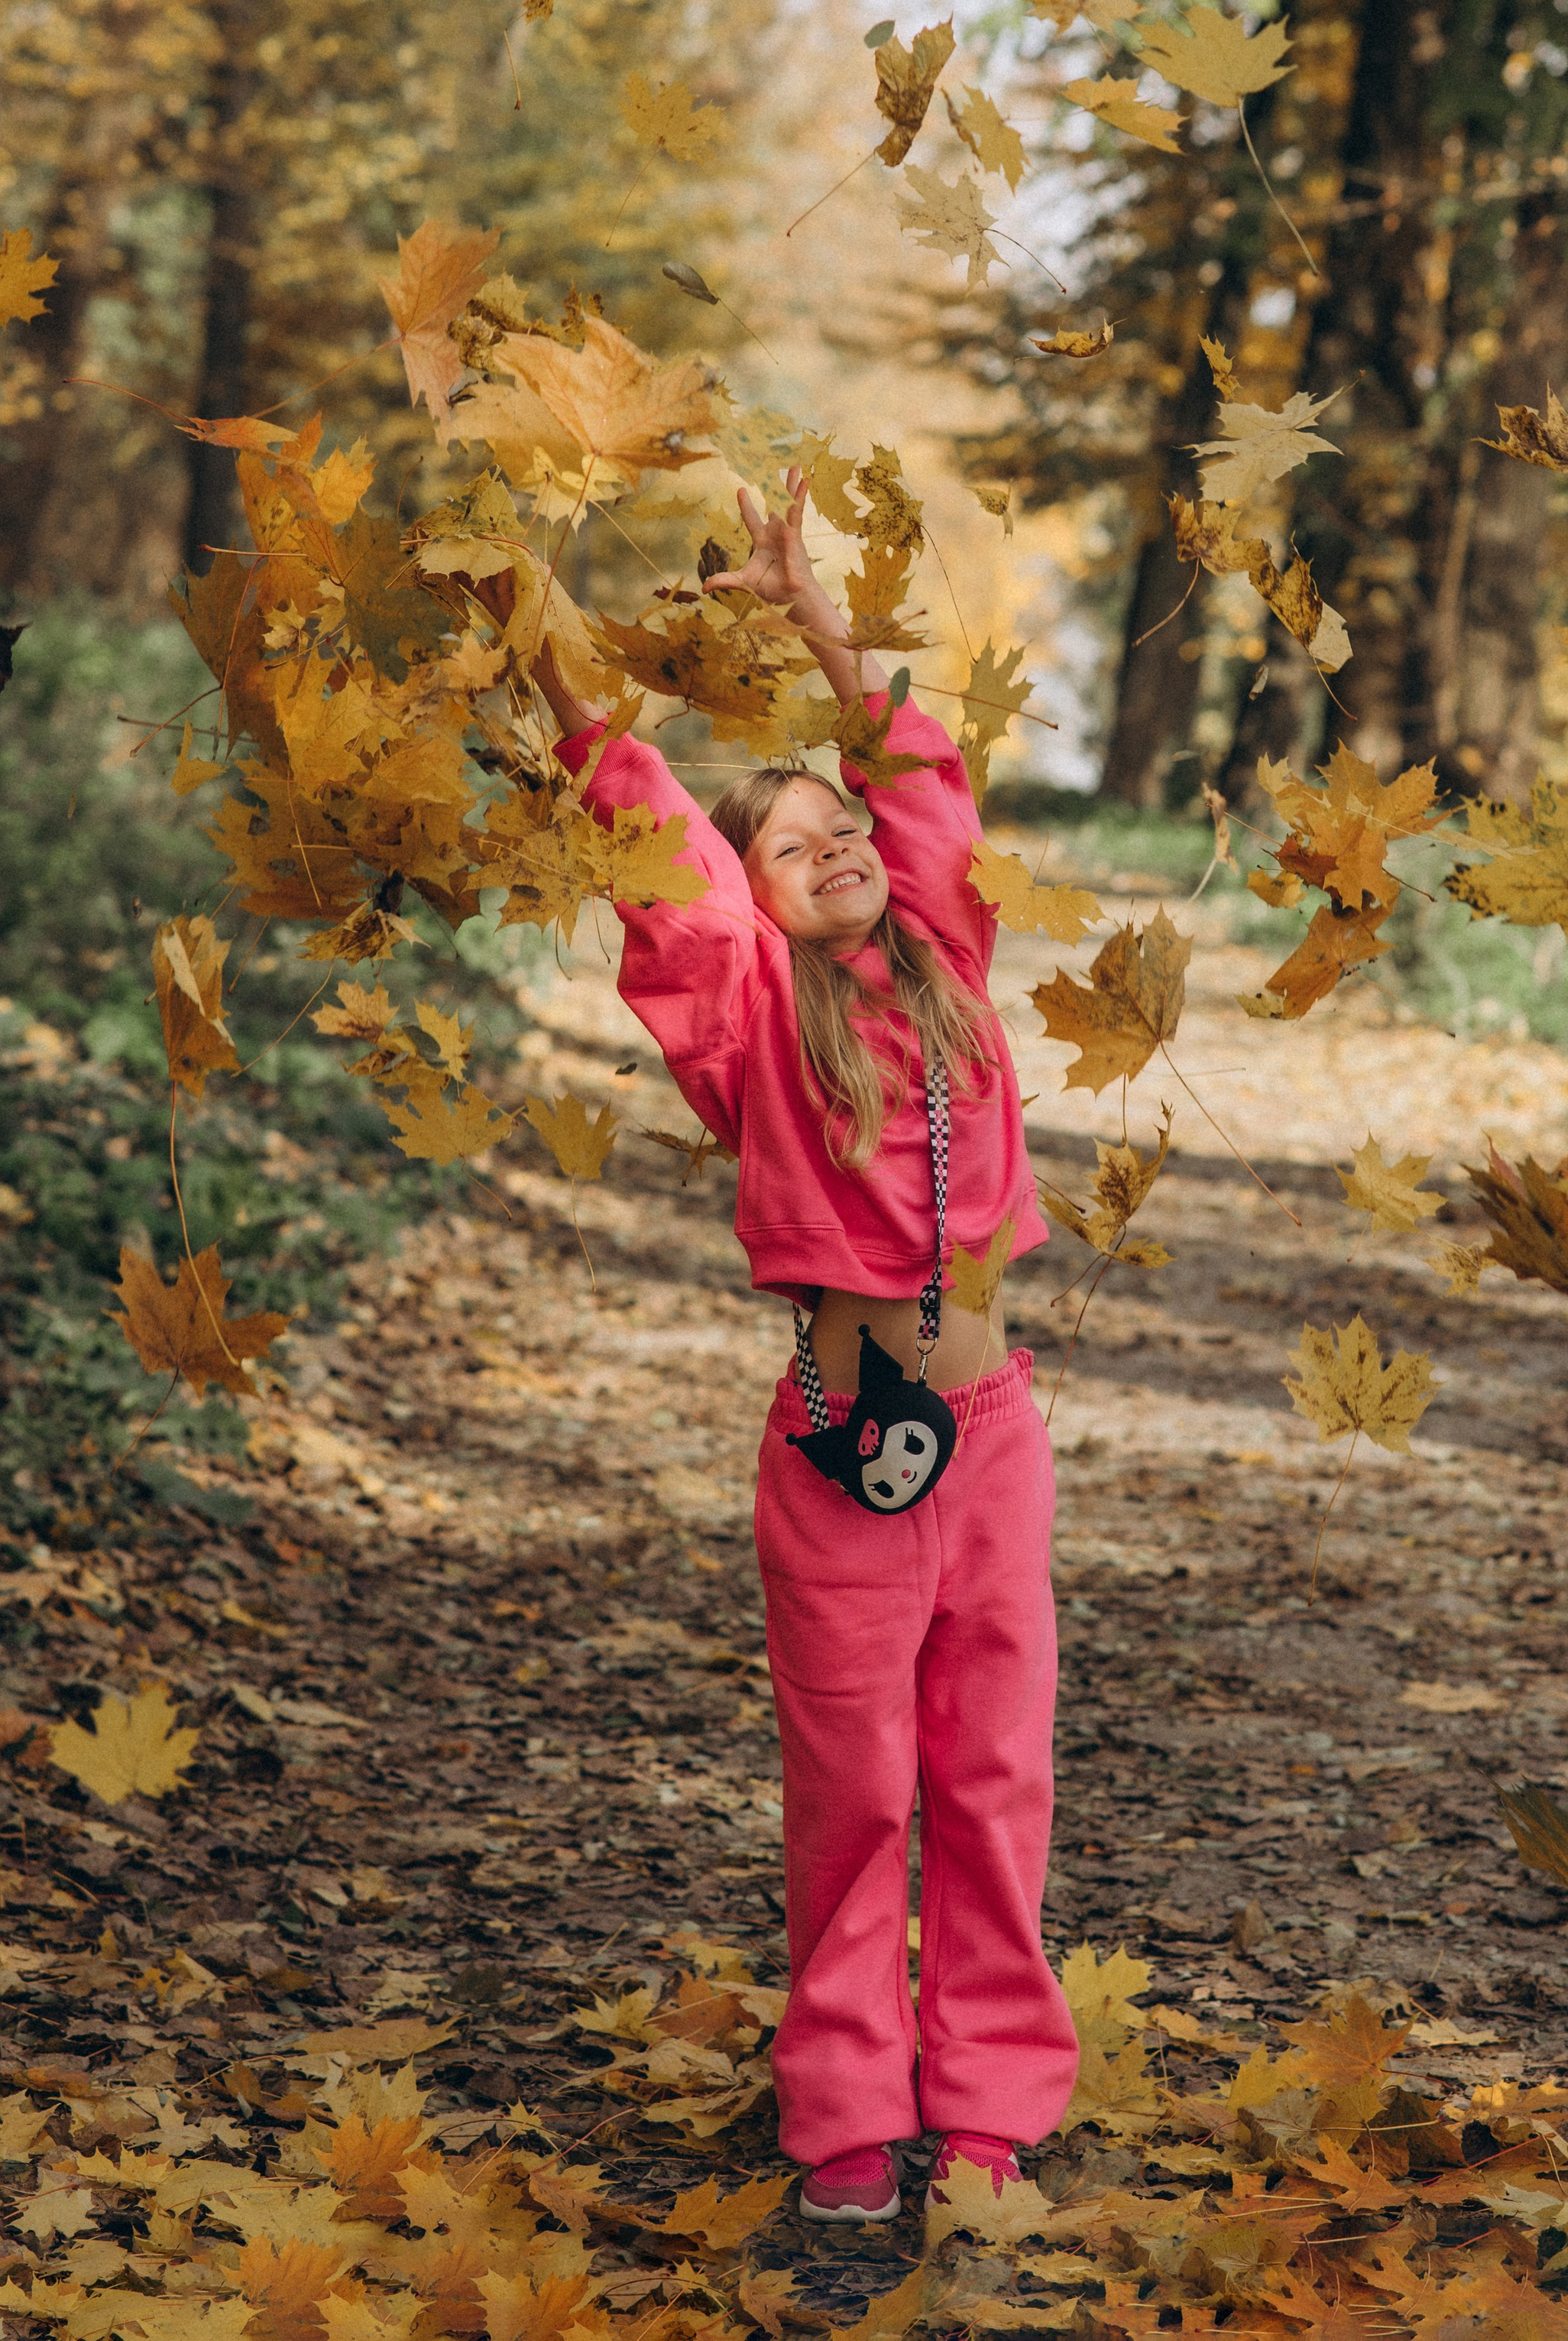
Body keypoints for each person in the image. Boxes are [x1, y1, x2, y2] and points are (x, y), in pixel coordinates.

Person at [504, 470, 1078, 2223]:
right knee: (858, 1788)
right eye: (790, 839)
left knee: (990, 1775)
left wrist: (824, 623)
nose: (836, 841)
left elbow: (925, 796)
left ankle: (981, 2092)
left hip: (989, 1430)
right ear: (751, 899)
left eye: (846, 826)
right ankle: (842, 2108)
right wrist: (550, 656)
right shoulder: (748, 1021)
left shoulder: (953, 965)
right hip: (839, 1441)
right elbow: (659, 849)